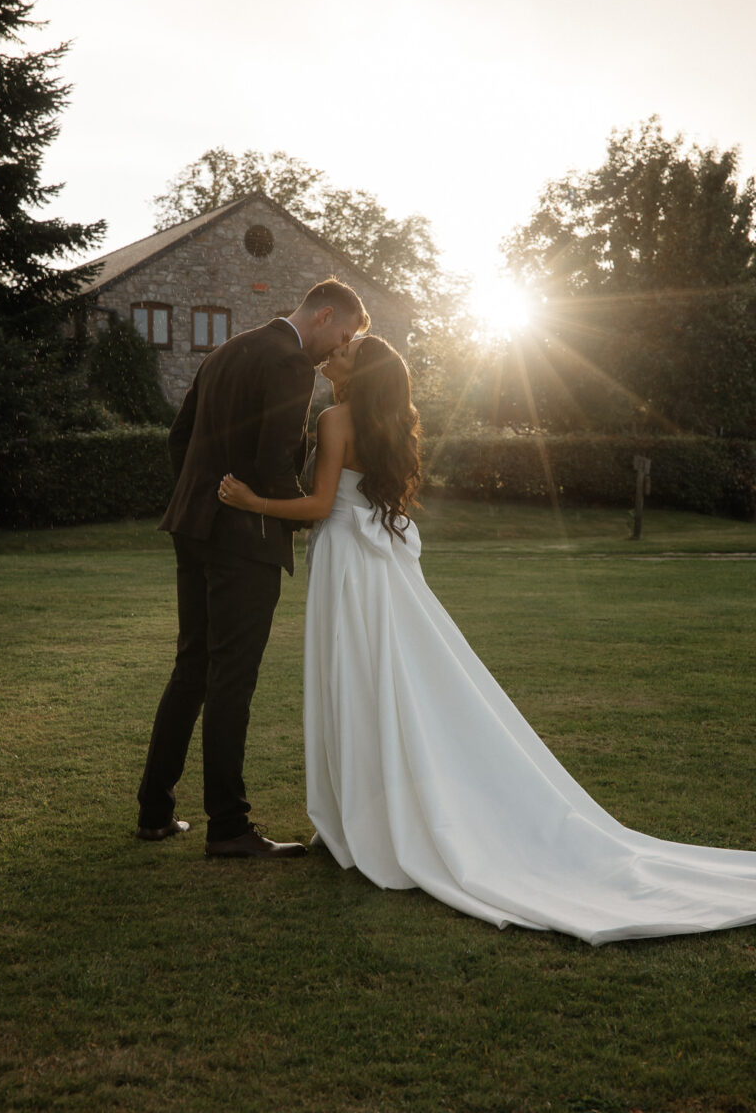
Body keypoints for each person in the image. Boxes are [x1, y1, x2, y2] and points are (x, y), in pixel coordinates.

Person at [217, 336, 756, 944]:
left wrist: (252, 500)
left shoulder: (334, 418)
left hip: (347, 561)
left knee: (353, 680)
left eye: (347, 351)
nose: (334, 354)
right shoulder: (384, 424)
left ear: (358, 373)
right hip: (377, 564)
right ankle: (359, 817)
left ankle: (359, 822)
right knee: (379, 680)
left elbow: (319, 505)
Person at [136, 278, 369, 858]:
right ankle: (228, 827)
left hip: (192, 529)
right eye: (342, 336)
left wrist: (198, 499)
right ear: (324, 315)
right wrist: (302, 514)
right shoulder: (291, 363)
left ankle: (155, 811)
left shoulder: (228, 348)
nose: (334, 351)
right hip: (244, 539)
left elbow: (179, 437)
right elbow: (271, 463)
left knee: (191, 666)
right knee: (230, 679)